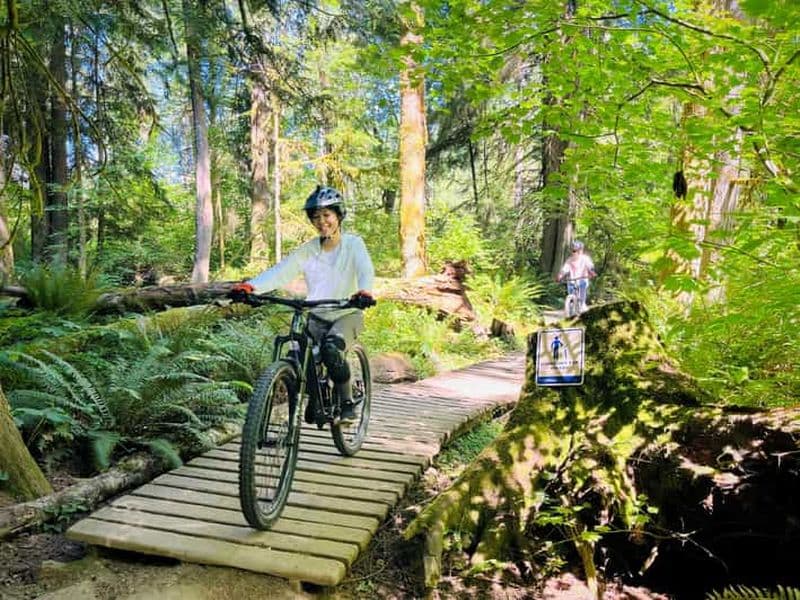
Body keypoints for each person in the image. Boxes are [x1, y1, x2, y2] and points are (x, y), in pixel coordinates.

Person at [231, 185, 375, 422]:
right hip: (316, 314)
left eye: (327, 215)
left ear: (338, 216)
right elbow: (281, 272)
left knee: (331, 349)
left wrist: (365, 291)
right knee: (299, 354)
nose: (322, 222)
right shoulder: (308, 250)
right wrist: (251, 287)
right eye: (316, 217)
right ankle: (317, 400)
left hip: (347, 313)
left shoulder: (353, 244)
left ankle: (347, 402)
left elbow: (365, 269)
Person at [556, 240, 596, 313]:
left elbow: (590, 266)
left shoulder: (585, 259)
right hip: (572, 280)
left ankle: (582, 305)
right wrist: (560, 275)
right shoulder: (569, 260)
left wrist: (592, 272)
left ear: (581, 251)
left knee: (581, 295)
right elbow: (565, 269)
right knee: (571, 295)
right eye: (572, 251)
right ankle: (570, 309)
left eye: (575, 251)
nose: (573, 253)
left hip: (582, 280)